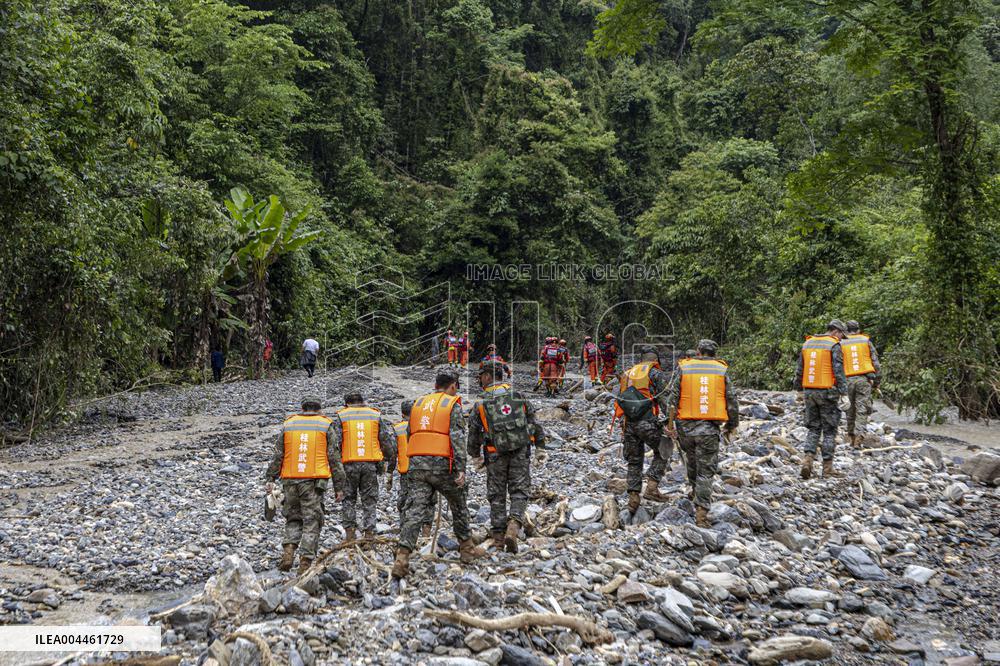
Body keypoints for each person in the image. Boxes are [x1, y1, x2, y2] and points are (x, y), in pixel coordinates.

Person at [392, 370, 485, 579]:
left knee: (414, 510)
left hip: (416, 464)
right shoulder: (451, 405)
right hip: (443, 465)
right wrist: (461, 468)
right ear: (452, 386)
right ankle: (467, 550)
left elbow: (409, 434)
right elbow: (457, 438)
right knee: (459, 503)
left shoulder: (418, 404)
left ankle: (402, 557)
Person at [468, 362, 546, 552]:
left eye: (480, 376)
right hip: (520, 450)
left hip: (495, 454)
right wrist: (540, 447)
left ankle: (498, 539)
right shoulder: (518, 396)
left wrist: (475, 455)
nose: (479, 380)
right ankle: (514, 526)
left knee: (496, 494)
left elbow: (474, 432)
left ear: (487, 376)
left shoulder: (481, 403)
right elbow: (534, 422)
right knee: (519, 490)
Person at [265, 396, 345, 574]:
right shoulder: (325, 425)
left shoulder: (289, 424)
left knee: (293, 518)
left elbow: (278, 455)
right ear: (319, 409)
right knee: (312, 521)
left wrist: (270, 478)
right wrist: (339, 487)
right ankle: (305, 563)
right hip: (313, 482)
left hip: (290, 480)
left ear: (302, 408)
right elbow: (334, 458)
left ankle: (288, 552)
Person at [667, 339, 739, 527]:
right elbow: (731, 400)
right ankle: (701, 513)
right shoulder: (720, 370)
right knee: (706, 471)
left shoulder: (685, 367)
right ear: (714, 353)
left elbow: (672, 399)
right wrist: (732, 424)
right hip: (708, 429)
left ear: (698, 351)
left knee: (691, 461)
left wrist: (670, 423)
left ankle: (694, 492)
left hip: (686, 427)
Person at [330, 393, 396, 543]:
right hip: (370, 465)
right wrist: (388, 457)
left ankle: (350, 535)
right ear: (363, 402)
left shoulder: (342, 416)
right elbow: (385, 440)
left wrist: (335, 466)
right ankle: (369, 535)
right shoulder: (374, 415)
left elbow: (336, 444)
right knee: (369, 500)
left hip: (348, 465)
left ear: (346, 404)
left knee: (348, 500)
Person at [614, 345, 672, 512]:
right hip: (647, 422)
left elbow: (621, 398)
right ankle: (652, 488)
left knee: (634, 460)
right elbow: (665, 400)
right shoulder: (655, 373)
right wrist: (671, 423)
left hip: (628, 423)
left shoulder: (628, 373)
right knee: (664, 449)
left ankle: (633, 498)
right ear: (656, 359)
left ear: (641, 359)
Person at [795, 320, 849, 479]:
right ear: (836, 331)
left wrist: (798, 389)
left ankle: (807, 461)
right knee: (830, 431)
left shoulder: (808, 344)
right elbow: (838, 371)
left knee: (813, 428)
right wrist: (844, 393)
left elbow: (800, 369)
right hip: (827, 392)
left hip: (809, 392)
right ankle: (827, 469)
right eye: (841, 335)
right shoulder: (833, 345)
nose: (841, 338)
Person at [390, 400, 435, 534]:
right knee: (429, 499)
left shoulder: (397, 428)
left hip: (407, 471)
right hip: (428, 468)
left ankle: (405, 529)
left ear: (402, 414)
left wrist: (389, 473)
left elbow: (393, 452)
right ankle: (426, 531)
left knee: (406, 499)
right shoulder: (428, 424)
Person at [842, 320, 882, 448]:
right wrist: (877, 382)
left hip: (847, 379)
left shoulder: (840, 343)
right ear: (858, 330)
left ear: (846, 331)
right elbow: (876, 364)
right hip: (864, 380)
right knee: (862, 409)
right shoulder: (865, 341)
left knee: (849, 409)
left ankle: (851, 436)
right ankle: (859, 435)